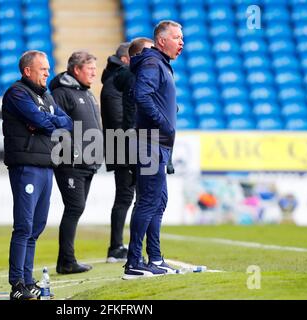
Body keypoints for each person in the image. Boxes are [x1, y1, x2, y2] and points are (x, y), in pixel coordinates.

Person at [2, 50, 73, 299]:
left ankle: (29, 280)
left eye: (48, 68)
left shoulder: (46, 96)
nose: (47, 73)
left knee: (36, 227)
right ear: (27, 71)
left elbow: (68, 122)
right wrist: (47, 121)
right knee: (23, 226)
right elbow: (42, 121)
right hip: (26, 166)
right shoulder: (17, 93)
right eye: (43, 68)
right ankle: (17, 285)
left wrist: (46, 120)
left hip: (45, 165)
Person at [123, 20, 184, 280]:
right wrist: (163, 123)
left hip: (157, 144)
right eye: (177, 37)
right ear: (161, 41)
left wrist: (169, 116)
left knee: (158, 201)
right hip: (149, 142)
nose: (182, 42)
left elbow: (151, 97)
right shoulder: (151, 63)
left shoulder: (159, 64)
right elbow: (141, 95)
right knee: (148, 201)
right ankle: (134, 263)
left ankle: (155, 258)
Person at [49, 51, 102, 274]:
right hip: (70, 163)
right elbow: (57, 127)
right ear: (77, 69)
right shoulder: (62, 93)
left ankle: (66, 261)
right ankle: (66, 261)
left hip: (88, 164)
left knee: (76, 208)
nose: (93, 73)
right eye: (90, 69)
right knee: (74, 207)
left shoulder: (87, 94)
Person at [100, 42, 134, 263]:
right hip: (123, 147)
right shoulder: (115, 83)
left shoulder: (113, 81)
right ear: (125, 60)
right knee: (124, 197)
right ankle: (116, 247)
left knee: (126, 196)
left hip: (123, 145)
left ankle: (119, 245)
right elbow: (118, 119)